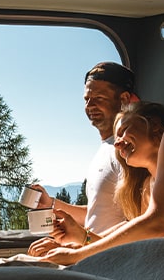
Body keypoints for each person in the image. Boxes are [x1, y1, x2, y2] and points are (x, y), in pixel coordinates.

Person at [30, 101, 164, 265]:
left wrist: (77, 254)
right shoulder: (149, 192)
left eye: (124, 131)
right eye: (116, 138)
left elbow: (158, 223)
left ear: (155, 125)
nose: (118, 143)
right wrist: (80, 238)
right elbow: (137, 241)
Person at [28, 62, 139, 247]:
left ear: (124, 99)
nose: (90, 106)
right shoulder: (105, 149)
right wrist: (52, 204)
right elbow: (99, 213)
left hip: (109, 258)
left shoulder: (128, 152)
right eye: (86, 99)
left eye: (99, 98)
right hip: (92, 251)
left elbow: (137, 224)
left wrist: (81, 244)